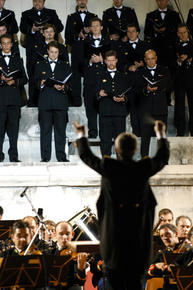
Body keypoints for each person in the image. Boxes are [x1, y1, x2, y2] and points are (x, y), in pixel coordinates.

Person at [74, 119, 170, 290]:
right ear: (135, 150)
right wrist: (160, 134)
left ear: (116, 149)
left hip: (114, 246)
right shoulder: (143, 167)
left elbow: (86, 156)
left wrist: (82, 134)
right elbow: (162, 157)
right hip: (138, 246)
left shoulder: (108, 166)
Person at [20, 0, 64, 107]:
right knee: (32, 74)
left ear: (43, 2)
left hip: (49, 47)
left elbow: (60, 26)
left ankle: (51, 100)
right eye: (35, 1)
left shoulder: (51, 12)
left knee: (50, 74)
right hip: (33, 50)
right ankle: (33, 100)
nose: (37, 4)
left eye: (39, 1)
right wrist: (33, 29)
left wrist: (49, 28)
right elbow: (22, 28)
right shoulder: (26, 14)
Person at [35, 41, 72, 162]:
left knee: (60, 131)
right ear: (47, 52)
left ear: (59, 53)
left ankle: (61, 157)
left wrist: (63, 87)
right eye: (51, 52)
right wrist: (40, 84)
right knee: (45, 131)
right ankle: (45, 157)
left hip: (60, 103)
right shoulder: (40, 64)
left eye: (56, 52)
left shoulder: (65, 65)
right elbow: (34, 82)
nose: (53, 54)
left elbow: (70, 84)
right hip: (45, 103)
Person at [144, 0, 181, 105]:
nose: (161, 2)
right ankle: (157, 101)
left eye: (164, 0)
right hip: (157, 53)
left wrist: (167, 30)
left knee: (169, 77)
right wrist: (156, 32)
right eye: (159, 0)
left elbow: (177, 34)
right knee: (157, 77)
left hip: (170, 53)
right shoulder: (151, 15)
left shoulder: (174, 15)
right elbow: (147, 33)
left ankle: (168, 100)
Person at [136, 49, 171, 157]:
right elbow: (136, 90)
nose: (150, 61)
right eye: (148, 59)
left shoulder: (164, 70)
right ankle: (144, 160)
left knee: (162, 137)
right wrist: (146, 89)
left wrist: (158, 88)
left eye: (152, 58)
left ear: (156, 58)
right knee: (145, 138)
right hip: (146, 111)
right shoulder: (140, 72)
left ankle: (163, 160)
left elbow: (170, 86)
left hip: (160, 109)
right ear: (145, 60)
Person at [96, 50, 131, 156]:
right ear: (105, 61)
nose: (111, 63)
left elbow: (129, 94)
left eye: (113, 60)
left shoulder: (123, 76)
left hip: (119, 113)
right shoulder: (99, 75)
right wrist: (99, 94)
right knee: (105, 141)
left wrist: (124, 98)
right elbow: (93, 93)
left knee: (120, 142)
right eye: (108, 61)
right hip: (105, 113)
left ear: (116, 61)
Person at [0, 34, 28, 162]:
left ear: (12, 44)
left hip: (14, 99)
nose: (6, 46)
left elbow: (25, 79)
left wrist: (14, 82)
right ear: (1, 45)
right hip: (1, 99)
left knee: (13, 129)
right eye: (3, 43)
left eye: (8, 43)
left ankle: (13, 156)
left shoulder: (18, 59)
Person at [83, 17, 112, 138]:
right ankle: (93, 132)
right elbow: (79, 63)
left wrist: (102, 60)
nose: (95, 28)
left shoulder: (108, 42)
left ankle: (105, 133)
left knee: (105, 107)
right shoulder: (84, 42)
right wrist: (90, 61)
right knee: (90, 107)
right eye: (92, 26)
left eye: (97, 25)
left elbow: (114, 61)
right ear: (89, 28)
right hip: (90, 80)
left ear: (101, 27)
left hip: (104, 79)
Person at [28, 23, 69, 106]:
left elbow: (66, 64)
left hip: (59, 79)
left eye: (51, 31)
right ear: (43, 33)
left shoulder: (62, 47)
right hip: (43, 80)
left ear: (55, 33)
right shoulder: (37, 48)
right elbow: (32, 65)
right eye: (47, 32)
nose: (49, 33)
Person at [65, 0, 97, 106]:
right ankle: (76, 100)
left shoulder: (94, 16)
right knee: (76, 76)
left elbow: (99, 33)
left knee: (90, 74)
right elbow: (67, 38)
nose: (82, 1)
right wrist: (78, 35)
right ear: (77, 1)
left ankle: (90, 99)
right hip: (77, 50)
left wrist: (90, 34)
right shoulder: (71, 17)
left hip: (90, 50)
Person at [49, 221, 88, 290]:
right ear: (55, 234)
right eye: (61, 234)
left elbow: (80, 282)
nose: (64, 237)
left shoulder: (76, 253)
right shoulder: (49, 251)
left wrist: (80, 268)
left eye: (67, 234)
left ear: (72, 234)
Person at [173, 24, 193, 136]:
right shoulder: (174, 45)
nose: (182, 35)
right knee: (179, 106)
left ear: (188, 32)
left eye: (184, 32)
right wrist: (179, 61)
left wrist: (190, 61)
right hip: (179, 80)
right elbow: (171, 63)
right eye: (180, 33)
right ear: (177, 34)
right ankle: (180, 130)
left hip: (192, 79)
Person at [146, 224, 179, 290]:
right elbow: (147, 274)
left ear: (175, 233)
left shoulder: (187, 250)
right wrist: (156, 266)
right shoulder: (161, 253)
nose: (165, 238)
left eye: (167, 234)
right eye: (162, 236)